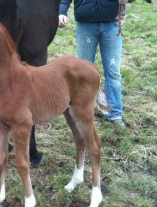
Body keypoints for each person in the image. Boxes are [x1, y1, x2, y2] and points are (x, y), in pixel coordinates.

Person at [58, 0, 136, 128]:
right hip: (85, 26)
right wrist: (62, 11)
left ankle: (115, 114)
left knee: (113, 72)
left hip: (112, 24)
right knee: (83, 75)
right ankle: (84, 114)